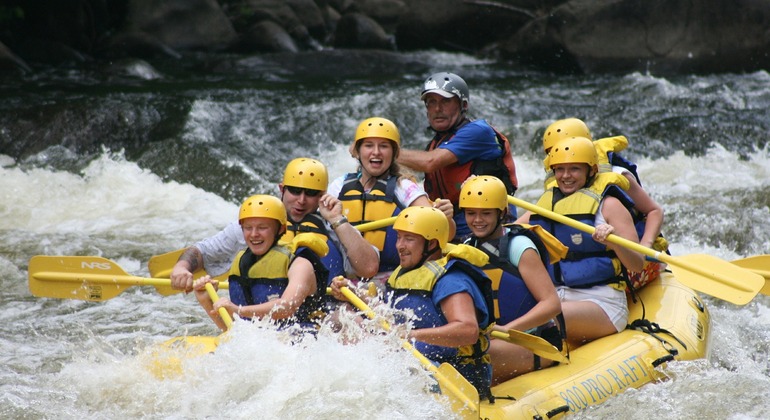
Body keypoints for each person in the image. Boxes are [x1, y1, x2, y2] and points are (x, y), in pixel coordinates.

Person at [331, 206, 496, 401]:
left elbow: (468, 331)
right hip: (420, 365)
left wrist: (411, 336)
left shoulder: (451, 281)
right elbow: (392, 314)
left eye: (409, 239)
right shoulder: (405, 273)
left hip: (456, 375)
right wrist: (354, 294)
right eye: (399, 237)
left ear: (432, 244)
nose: (400, 245)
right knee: (342, 319)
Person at [169, 157, 379, 292]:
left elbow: (368, 268)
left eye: (311, 194)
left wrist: (337, 221)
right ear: (282, 189)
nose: (301, 200)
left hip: (321, 317)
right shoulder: (256, 225)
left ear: (322, 196)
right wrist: (181, 267)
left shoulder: (333, 226)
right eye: (295, 191)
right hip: (265, 317)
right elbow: (202, 251)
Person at [516, 136, 645, 350]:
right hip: (554, 296)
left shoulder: (610, 206)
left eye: (574, 169)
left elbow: (637, 264)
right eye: (560, 169)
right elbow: (506, 233)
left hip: (602, 302)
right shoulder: (546, 205)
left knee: (545, 317)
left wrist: (615, 244)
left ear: (591, 171)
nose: (566, 176)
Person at [459, 175, 565, 384]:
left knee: (476, 359)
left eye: (486, 213)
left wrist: (508, 330)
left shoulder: (519, 247)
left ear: (502, 213)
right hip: (493, 339)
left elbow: (552, 303)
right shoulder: (467, 247)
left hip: (535, 341)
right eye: (471, 213)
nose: (477, 220)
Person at [542, 118, 666, 290]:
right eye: (551, 153)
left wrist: (645, 246)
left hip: (632, 250)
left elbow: (654, 211)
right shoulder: (561, 181)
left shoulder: (616, 175)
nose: (558, 155)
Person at [330, 116, 454, 283]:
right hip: (344, 282)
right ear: (356, 151)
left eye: (384, 146)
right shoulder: (339, 186)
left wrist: (445, 218)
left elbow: (444, 233)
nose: (376, 152)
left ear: (395, 153)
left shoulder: (404, 188)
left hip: (393, 280)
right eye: (368, 145)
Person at [397, 72, 519, 242]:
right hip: (453, 225)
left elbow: (430, 162)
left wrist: (383, 150)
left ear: (463, 105)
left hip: (488, 225)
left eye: (445, 101)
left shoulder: (478, 131)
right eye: (431, 102)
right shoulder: (435, 144)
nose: (438, 109)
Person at [193, 194, 327, 331]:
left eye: (262, 227)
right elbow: (233, 331)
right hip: (266, 344)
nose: (254, 234)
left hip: (305, 340)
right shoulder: (242, 262)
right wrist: (206, 301)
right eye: (248, 228)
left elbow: (287, 307)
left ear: (280, 229)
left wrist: (238, 310)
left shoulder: (300, 263)